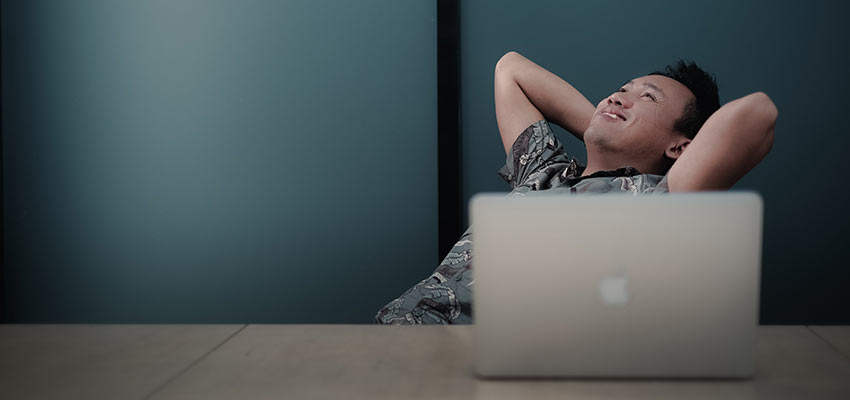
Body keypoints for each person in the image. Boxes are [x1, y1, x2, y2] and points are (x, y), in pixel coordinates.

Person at [375, 51, 777, 325]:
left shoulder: (661, 200)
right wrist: (606, 122)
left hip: (475, 363)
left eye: (647, 97)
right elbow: (510, 69)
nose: (619, 97)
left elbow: (758, 114)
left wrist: (651, 148)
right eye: (622, 89)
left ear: (680, 146)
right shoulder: (542, 170)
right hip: (391, 332)